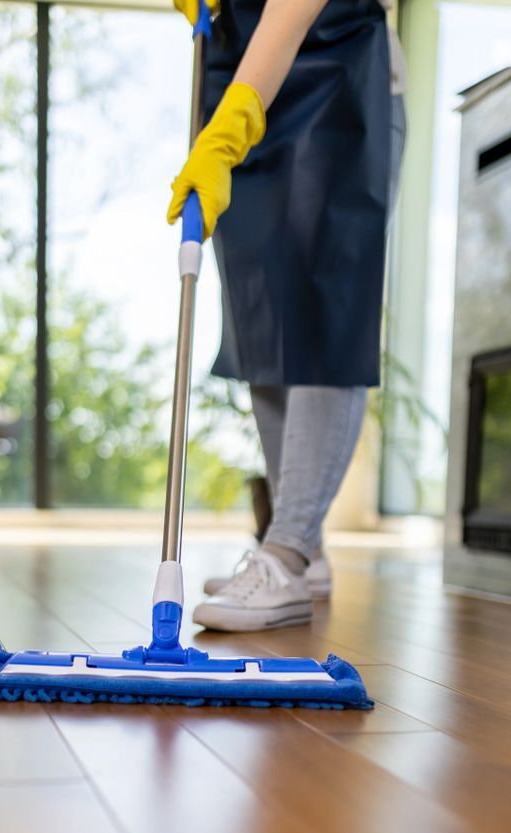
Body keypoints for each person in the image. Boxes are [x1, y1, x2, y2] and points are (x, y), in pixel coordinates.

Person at [168, 0, 406, 632]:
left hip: (339, 79)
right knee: (262, 318)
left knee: (328, 307)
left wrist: (227, 131)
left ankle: (287, 551)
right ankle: (307, 550)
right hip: (244, 82)